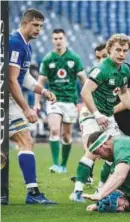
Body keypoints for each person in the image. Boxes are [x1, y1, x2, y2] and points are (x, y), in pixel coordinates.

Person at [70, 34, 130, 202]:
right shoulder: (101, 68)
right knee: (93, 151)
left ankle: (101, 189)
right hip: (91, 115)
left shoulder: (125, 70)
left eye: (125, 50)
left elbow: (123, 92)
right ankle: (77, 192)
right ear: (109, 50)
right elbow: (84, 92)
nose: (121, 54)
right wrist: (97, 114)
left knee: (115, 152)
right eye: (118, 50)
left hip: (108, 116)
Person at [8, 9, 57, 204]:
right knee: (26, 140)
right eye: (35, 25)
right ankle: (33, 194)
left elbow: (23, 77)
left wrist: (42, 91)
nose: (39, 30)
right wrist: (27, 109)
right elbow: (12, 81)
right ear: (25, 23)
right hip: (6, 99)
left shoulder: (26, 45)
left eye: (41, 26)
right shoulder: (15, 43)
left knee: (24, 141)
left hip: (8, 98)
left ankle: (32, 192)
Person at [34, 28, 89, 173]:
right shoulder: (48, 59)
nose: (58, 41)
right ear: (52, 40)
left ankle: (63, 165)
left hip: (70, 101)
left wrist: (88, 99)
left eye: (60, 38)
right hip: (53, 100)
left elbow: (84, 80)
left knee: (66, 135)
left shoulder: (74, 58)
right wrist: (37, 102)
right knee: (54, 130)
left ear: (65, 39)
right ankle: (55, 164)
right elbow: (39, 83)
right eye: (55, 38)